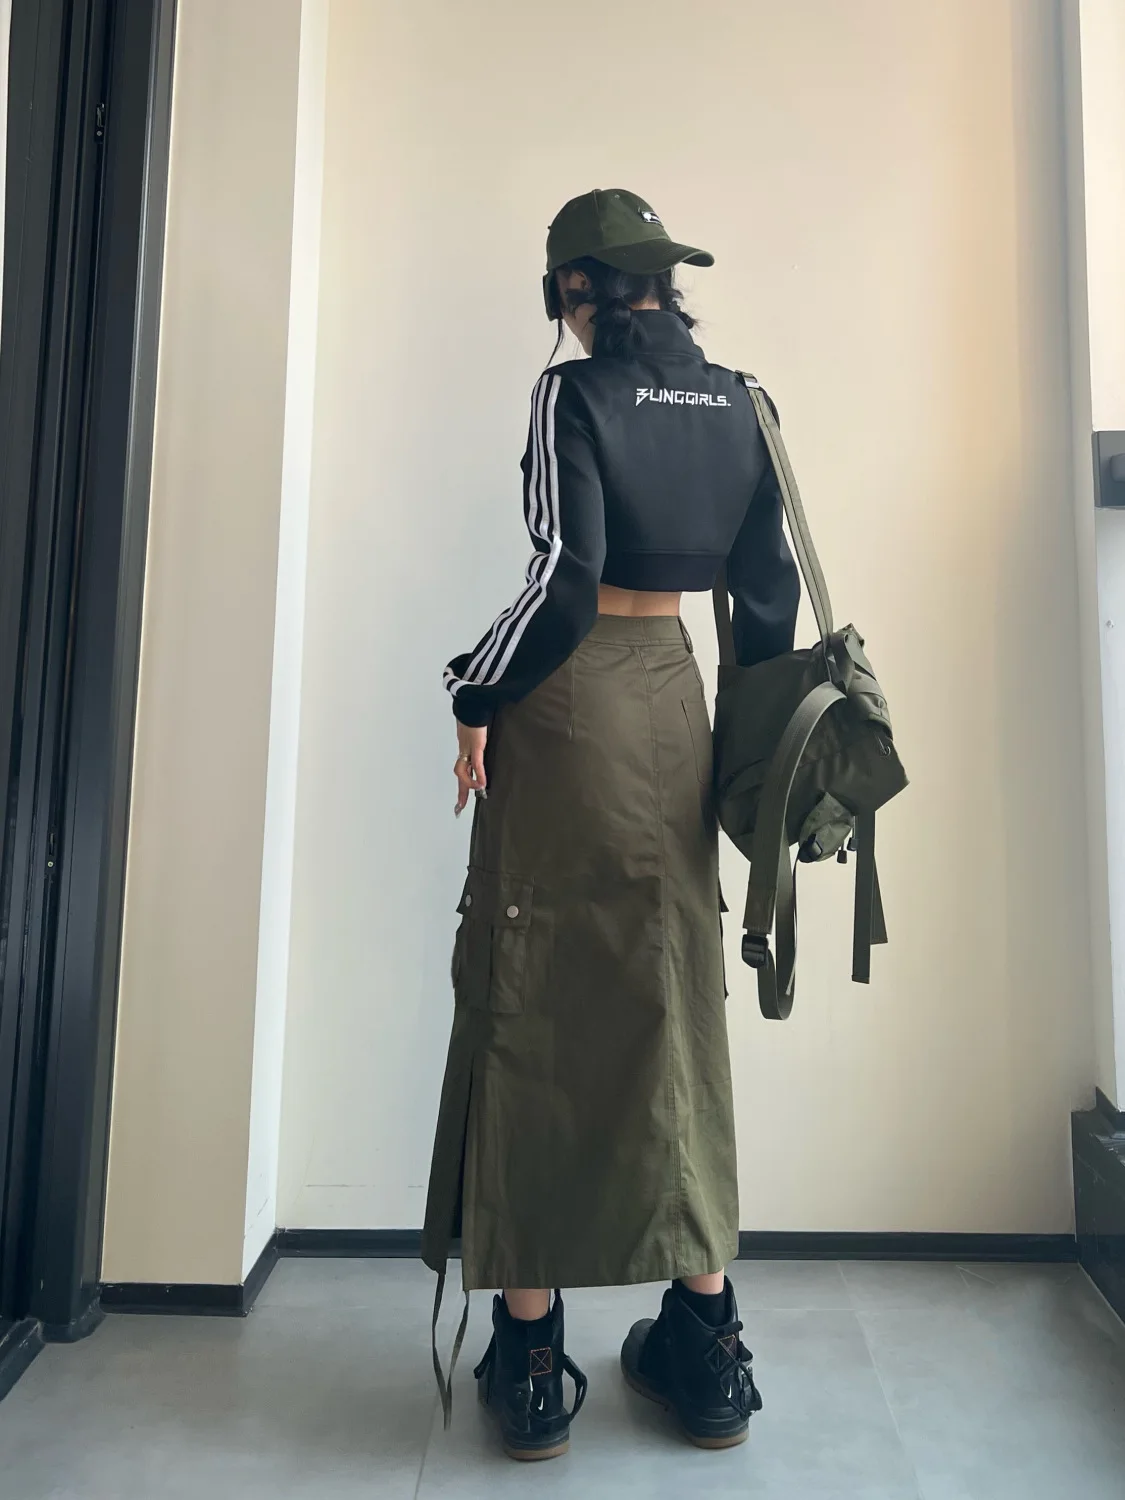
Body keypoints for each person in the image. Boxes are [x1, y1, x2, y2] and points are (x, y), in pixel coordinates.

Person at [422, 188, 799, 1461]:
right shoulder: (744, 400)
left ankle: (533, 1357)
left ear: (573, 293)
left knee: (535, 989)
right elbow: (766, 597)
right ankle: (709, 1345)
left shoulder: (570, 395)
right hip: (679, 701)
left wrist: (476, 690)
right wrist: (742, 763)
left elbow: (564, 581)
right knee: (673, 991)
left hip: (571, 704)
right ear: (667, 288)